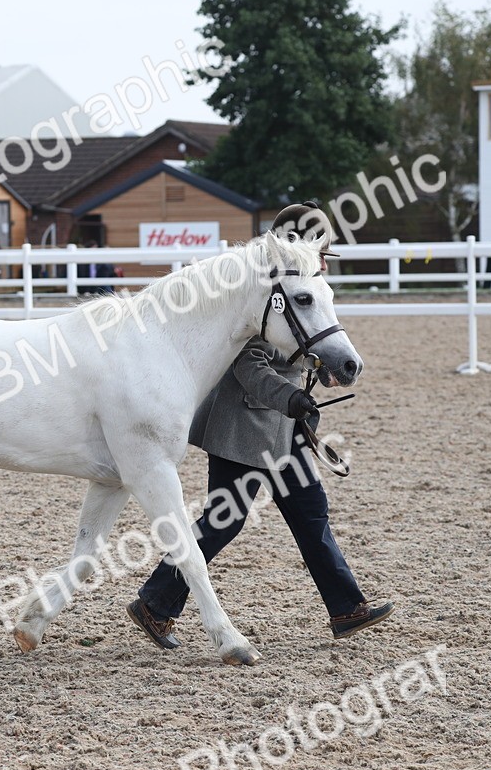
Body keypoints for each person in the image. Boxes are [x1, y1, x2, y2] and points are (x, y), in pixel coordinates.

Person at [127, 201, 394, 652]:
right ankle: (155, 603)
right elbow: (251, 367)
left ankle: (347, 608)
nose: (324, 260)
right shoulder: (259, 294)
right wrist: (290, 397)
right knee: (223, 521)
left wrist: (317, 364)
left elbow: (299, 342)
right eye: (318, 249)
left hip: (281, 427)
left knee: (311, 515)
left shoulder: (295, 286)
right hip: (245, 427)